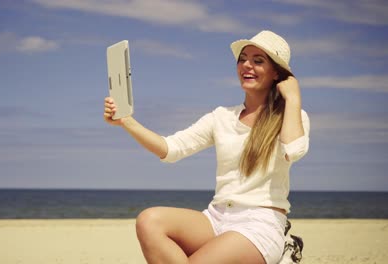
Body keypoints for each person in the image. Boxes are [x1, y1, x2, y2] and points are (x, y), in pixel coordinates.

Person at [103, 30, 310, 264]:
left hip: (260, 223)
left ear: (276, 73)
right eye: (242, 59)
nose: (247, 65)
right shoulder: (221, 116)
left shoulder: (292, 115)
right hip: (216, 217)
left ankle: (284, 247)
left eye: (258, 61)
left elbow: (294, 150)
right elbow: (171, 149)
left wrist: (293, 99)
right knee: (149, 220)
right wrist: (126, 122)